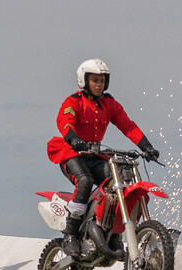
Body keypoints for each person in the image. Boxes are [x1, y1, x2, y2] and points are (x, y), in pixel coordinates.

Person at [46, 58, 159, 257]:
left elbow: (127, 125)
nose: (99, 84)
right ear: (85, 81)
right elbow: (65, 122)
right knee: (85, 180)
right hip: (70, 153)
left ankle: (109, 229)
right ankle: (71, 233)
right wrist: (74, 140)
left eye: (102, 81)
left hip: (94, 155)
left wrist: (146, 146)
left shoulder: (109, 104)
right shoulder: (74, 101)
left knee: (117, 182)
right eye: (95, 80)